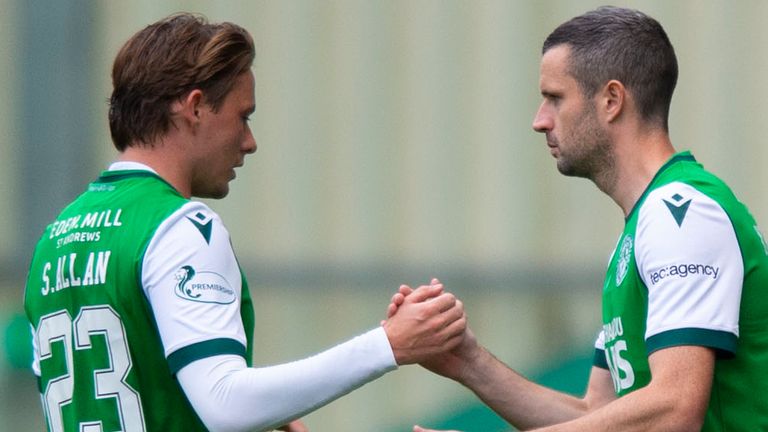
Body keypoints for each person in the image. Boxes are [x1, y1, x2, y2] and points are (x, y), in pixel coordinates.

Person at [23, 13, 467, 432]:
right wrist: (390, 343)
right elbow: (225, 403)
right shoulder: (179, 227)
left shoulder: (56, 237)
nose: (250, 142)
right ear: (195, 108)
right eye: (243, 116)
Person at [388, 6, 768, 432]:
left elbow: (674, 410)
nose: (539, 120)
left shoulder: (682, 214)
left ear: (611, 100)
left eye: (555, 97)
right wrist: (469, 363)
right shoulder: (643, 229)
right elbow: (596, 418)